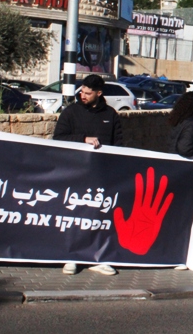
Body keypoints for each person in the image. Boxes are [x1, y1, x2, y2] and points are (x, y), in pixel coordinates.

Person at [53, 74, 123, 276]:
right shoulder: (71, 112)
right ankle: (71, 257)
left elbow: (118, 143)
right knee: (75, 216)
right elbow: (59, 138)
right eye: (82, 91)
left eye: (88, 93)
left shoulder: (110, 114)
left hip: (101, 175)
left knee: (99, 217)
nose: (83, 95)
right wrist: (83, 139)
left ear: (99, 93)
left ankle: (97, 257)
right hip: (75, 173)